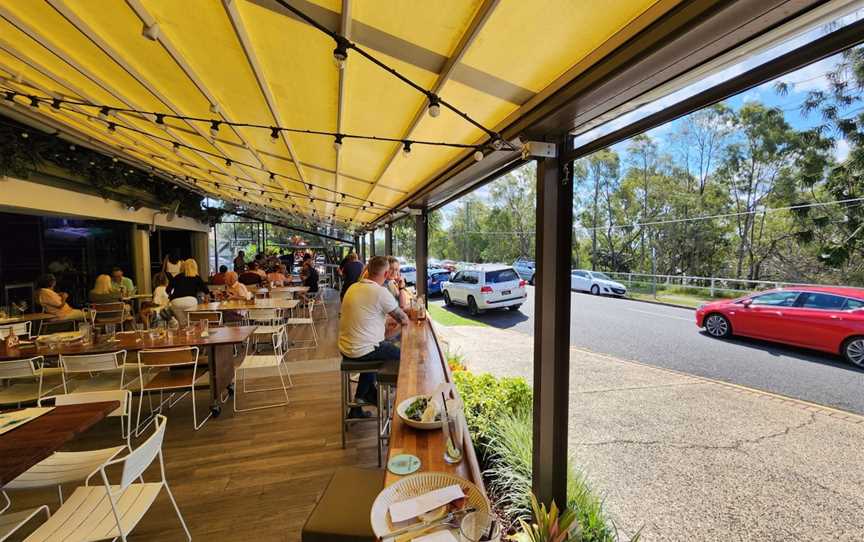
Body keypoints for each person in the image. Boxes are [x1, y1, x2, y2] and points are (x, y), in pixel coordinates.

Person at [338, 256, 408, 418]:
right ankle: (400, 407)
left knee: (376, 346)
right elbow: (403, 318)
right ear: (386, 273)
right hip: (362, 351)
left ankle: (361, 400)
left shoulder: (353, 287)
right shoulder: (379, 292)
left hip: (346, 348)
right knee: (404, 357)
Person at [167, 259, 209, 325]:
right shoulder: (196, 277)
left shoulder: (177, 277)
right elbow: (206, 291)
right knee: (191, 322)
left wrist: (170, 297)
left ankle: (181, 333)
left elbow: (167, 290)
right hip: (191, 301)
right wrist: (206, 301)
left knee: (181, 323)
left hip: (176, 302)